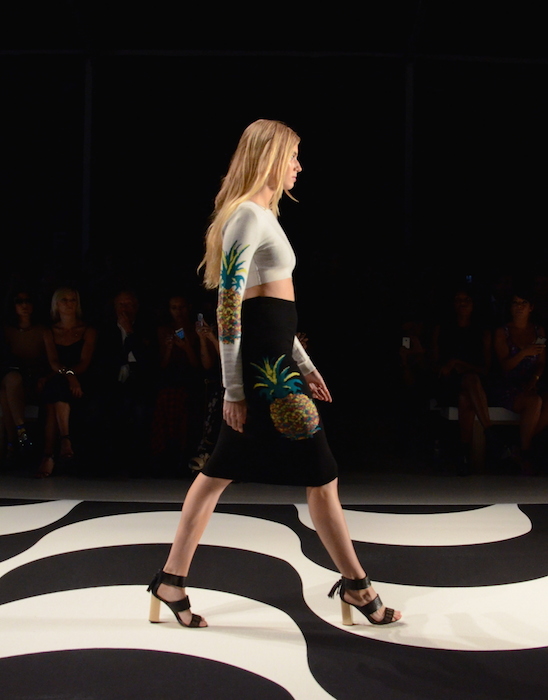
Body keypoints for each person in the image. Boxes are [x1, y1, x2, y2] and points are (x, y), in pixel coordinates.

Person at [147, 119, 401, 628]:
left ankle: (171, 581)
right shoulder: (246, 216)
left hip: (277, 365)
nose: (299, 166)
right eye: (293, 156)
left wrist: (305, 364)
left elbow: (272, 310)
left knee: (218, 473)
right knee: (321, 476)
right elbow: (229, 307)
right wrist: (233, 389)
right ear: (269, 158)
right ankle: (358, 588)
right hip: (267, 377)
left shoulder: (262, 214)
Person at [432, 285, 494, 473]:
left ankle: (463, 455)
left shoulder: (482, 333)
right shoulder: (442, 329)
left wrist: (459, 363)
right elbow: (435, 365)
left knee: (467, 392)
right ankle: (490, 431)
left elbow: (486, 369)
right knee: (468, 384)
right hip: (448, 384)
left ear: (474, 304)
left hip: (474, 386)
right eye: (458, 300)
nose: (462, 303)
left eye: (466, 300)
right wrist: (448, 367)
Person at [38, 287, 96, 477]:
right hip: (62, 377)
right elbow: (54, 362)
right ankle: (65, 439)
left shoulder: (87, 330)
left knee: (54, 395)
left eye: (73, 300)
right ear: (56, 304)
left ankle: (49, 456)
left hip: (81, 379)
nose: (69, 304)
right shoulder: (50, 331)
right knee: (56, 390)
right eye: (64, 300)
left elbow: (84, 363)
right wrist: (68, 375)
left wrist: (71, 375)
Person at [493, 290, 548, 473]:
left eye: (523, 303)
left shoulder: (539, 331)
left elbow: (541, 362)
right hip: (508, 385)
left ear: (531, 307)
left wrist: (535, 378)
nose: (519, 307)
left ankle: (516, 448)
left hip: (531, 383)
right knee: (535, 402)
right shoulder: (502, 332)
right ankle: (525, 454)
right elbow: (505, 366)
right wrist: (524, 352)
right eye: (515, 303)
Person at [150, 295, 201, 471]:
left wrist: (186, 347)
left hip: (191, 379)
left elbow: (197, 365)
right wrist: (169, 348)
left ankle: (182, 453)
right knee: (166, 398)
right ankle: (164, 453)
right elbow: (162, 365)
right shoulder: (164, 330)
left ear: (188, 308)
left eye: (182, 307)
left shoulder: (196, 330)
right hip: (170, 379)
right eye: (174, 308)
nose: (178, 312)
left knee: (184, 400)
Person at [0, 289, 47, 462]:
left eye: (28, 301)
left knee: (6, 391)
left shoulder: (42, 331)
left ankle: (12, 443)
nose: (24, 305)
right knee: (10, 381)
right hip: (13, 380)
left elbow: (52, 361)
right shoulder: (7, 331)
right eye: (19, 302)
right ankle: (21, 433)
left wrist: (46, 377)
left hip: (35, 381)